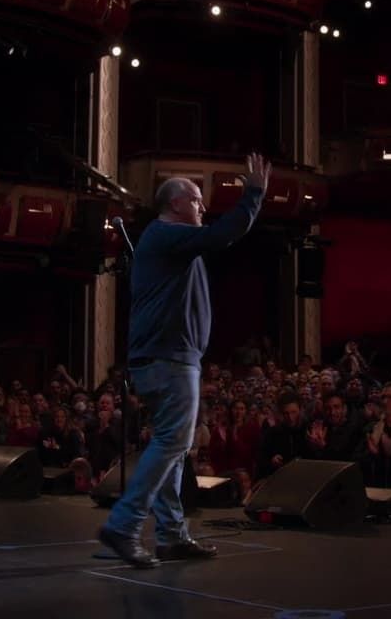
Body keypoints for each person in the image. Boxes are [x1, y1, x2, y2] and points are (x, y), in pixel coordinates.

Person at [99, 152, 269, 568]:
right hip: (169, 359)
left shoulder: (169, 244)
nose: (202, 207)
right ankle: (124, 524)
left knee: (172, 447)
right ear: (175, 204)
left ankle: (172, 535)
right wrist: (254, 195)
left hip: (163, 359)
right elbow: (224, 233)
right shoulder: (166, 236)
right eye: (195, 200)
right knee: (174, 442)